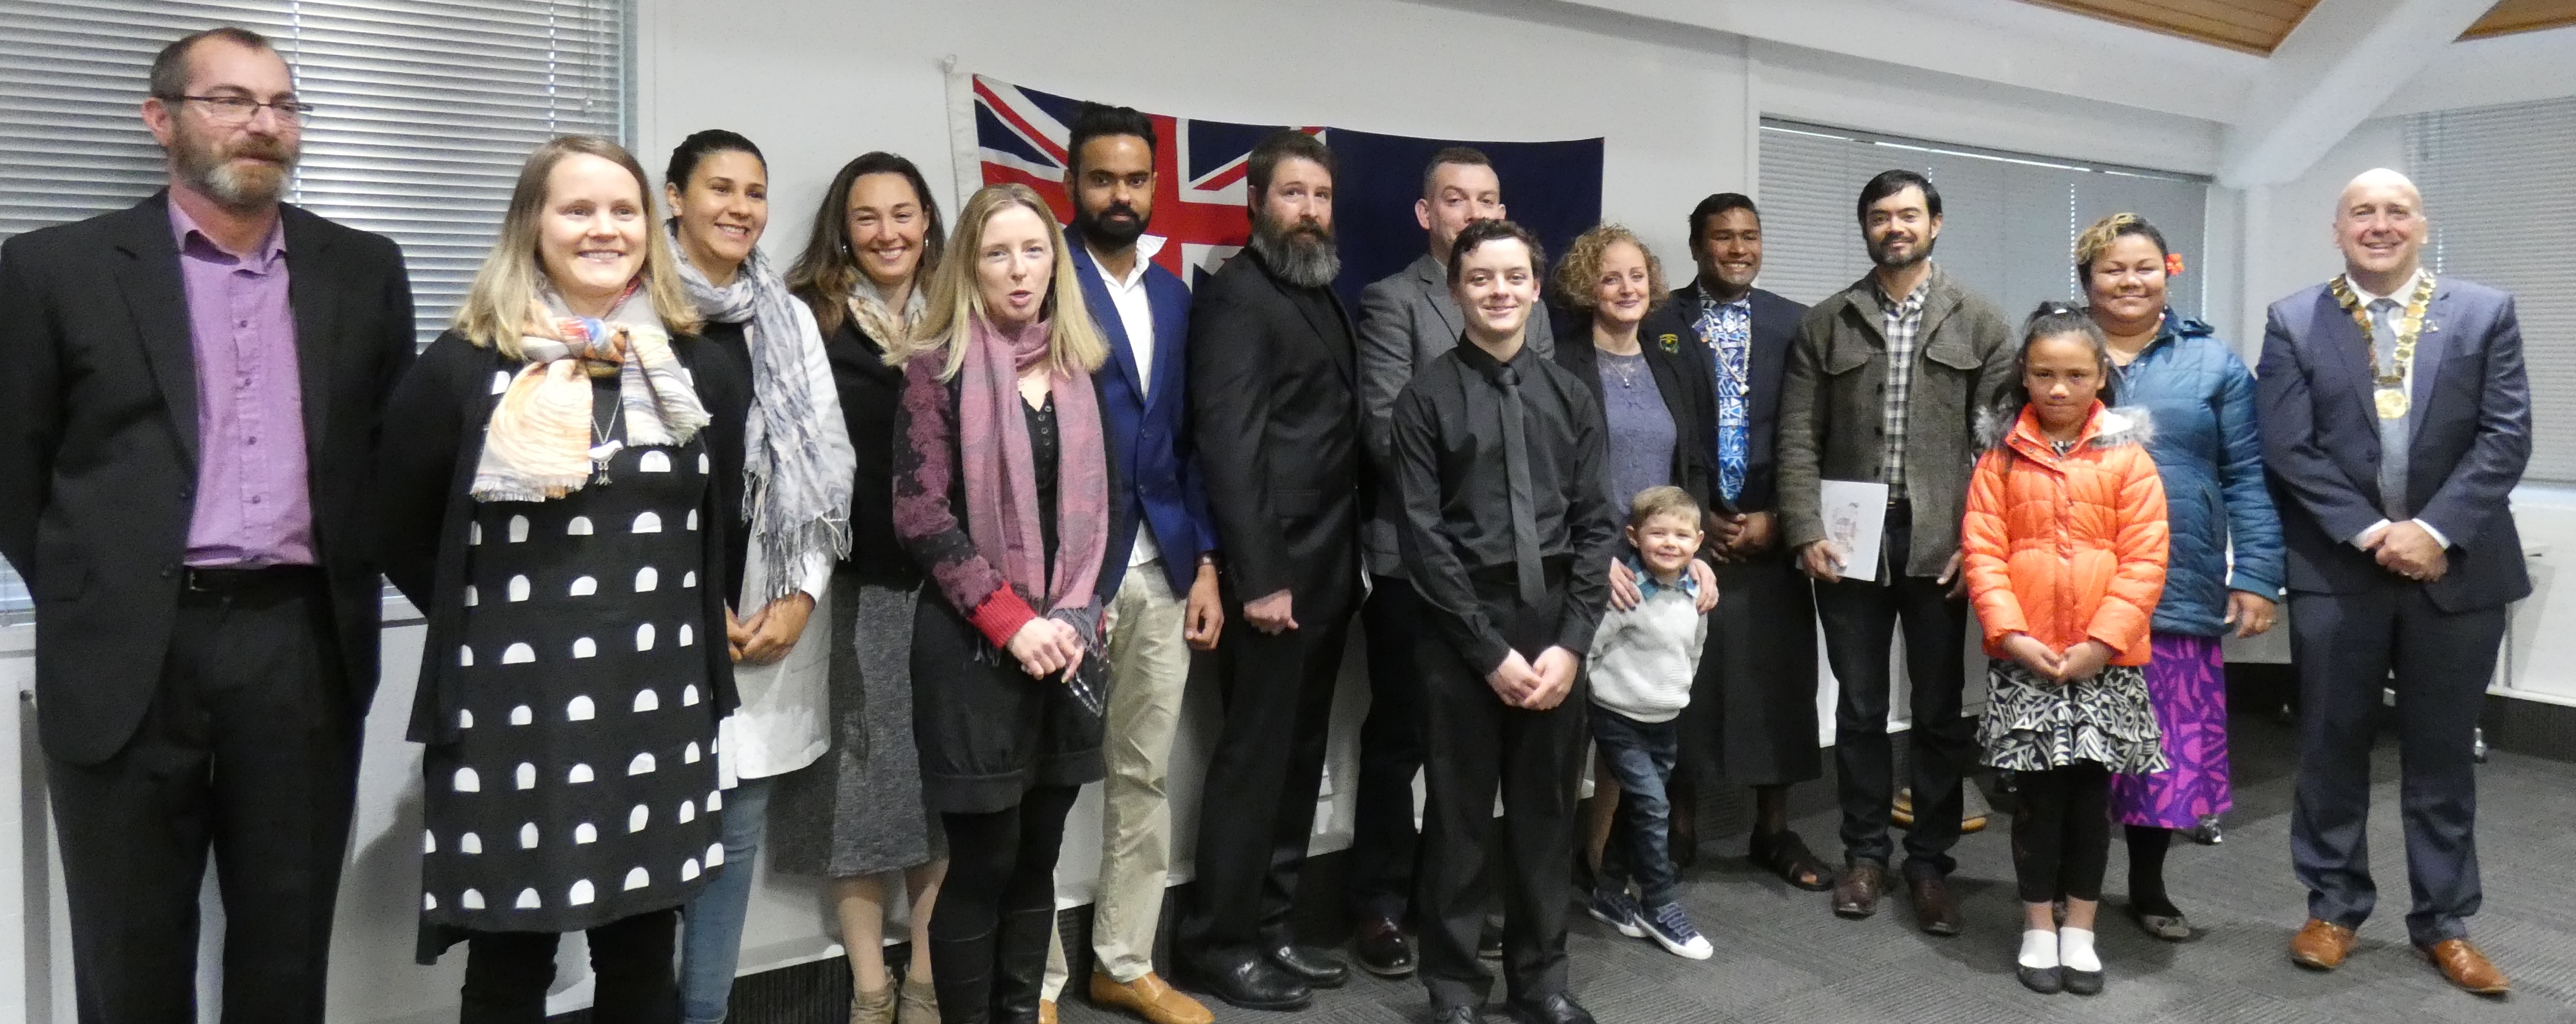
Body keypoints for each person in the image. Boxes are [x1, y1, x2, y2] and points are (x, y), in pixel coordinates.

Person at [0, 26, 413, 1023]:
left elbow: (387, 460)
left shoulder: (363, 269)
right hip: (129, 653)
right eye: (230, 101)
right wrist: (94, 587)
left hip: (301, 644)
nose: (262, 124)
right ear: (162, 120)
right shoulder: (53, 269)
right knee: (131, 957)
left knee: (286, 947)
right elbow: (15, 468)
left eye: (280, 104)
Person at [377, 134, 746, 1022]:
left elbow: (718, 521)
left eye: (622, 211)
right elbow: (391, 521)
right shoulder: (467, 363)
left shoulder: (699, 366)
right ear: (532, 225)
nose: (603, 229)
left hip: (659, 698)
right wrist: (501, 624)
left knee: (640, 952)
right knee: (511, 953)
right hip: (512, 703)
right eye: (576, 209)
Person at [2262, 169, 2529, 996]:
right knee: (2330, 745)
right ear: (2336, 229)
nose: (2379, 225)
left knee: (2442, 755)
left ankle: (2443, 922)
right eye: (2361, 212)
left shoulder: (2483, 311)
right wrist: (2379, 532)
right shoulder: (2294, 320)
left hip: (2458, 567)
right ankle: (2333, 905)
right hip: (2340, 568)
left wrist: (2433, 529)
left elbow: (2505, 434)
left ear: (2422, 224)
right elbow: (2287, 445)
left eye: (2395, 212)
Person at [886, 182, 1128, 1024]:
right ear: (969, 265)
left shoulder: (1076, 366)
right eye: (997, 252)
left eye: (1033, 250)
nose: (1018, 269)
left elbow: (1104, 509)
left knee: (1040, 860)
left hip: (1067, 643)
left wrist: (1070, 615)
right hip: (972, 651)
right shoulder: (935, 365)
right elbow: (920, 514)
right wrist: (1010, 620)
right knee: (983, 862)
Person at [1776, 169, 2016, 935]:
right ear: (1866, 228)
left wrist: (1979, 544)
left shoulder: (1980, 321)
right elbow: (1796, 436)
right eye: (1880, 216)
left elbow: (2001, 450)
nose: (1894, 226)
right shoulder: (1828, 322)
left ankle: (1930, 861)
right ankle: (1864, 853)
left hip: (1941, 539)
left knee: (1941, 709)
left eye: (1908, 214)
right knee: (1859, 705)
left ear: (1935, 223)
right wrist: (1804, 527)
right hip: (1849, 541)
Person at [1393, 218, 1617, 1024]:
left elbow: (1598, 526)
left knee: (1545, 815)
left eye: (1513, 277)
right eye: (1480, 278)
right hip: (1460, 630)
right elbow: (1422, 539)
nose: (1498, 291)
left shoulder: (1569, 396)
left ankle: (1542, 980)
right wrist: (1487, 650)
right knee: (1457, 817)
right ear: (1456, 290)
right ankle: (1453, 987)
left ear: (1534, 285)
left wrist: (1571, 644)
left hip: (1554, 619)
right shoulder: (1423, 400)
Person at [1029, 104, 1223, 1024]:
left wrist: (1207, 562)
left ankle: (1122, 957)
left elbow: (1187, 440)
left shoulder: (1174, 294)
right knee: (1044, 779)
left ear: (1152, 185)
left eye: (1133, 179)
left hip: (1163, 565)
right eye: (1101, 178)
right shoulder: (1039, 276)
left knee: (1142, 773)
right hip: (1066, 575)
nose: (1119, 194)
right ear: (1072, 183)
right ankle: (1031, 977)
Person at [658, 129, 857, 1024]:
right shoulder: (634, 302)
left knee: (734, 835)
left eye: (755, 192)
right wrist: (695, 607)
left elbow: (829, 458)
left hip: (763, 610)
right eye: (720, 188)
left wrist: (801, 593)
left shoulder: (781, 315)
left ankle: (703, 1013)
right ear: (673, 197)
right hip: (656, 618)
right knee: (640, 830)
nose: (740, 208)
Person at [1350, 146, 1552, 974]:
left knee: (1480, 756)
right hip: (1416, 561)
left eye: (1488, 197)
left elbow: (1541, 436)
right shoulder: (1393, 300)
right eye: (1454, 199)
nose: (1472, 211)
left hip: (1514, 572)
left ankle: (1457, 908)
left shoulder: (1526, 306)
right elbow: (1387, 431)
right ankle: (1378, 905)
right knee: (1403, 739)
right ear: (1424, 215)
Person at [1179, 128, 1362, 1011]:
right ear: (1255, 202)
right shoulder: (1236, 298)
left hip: (1329, 569)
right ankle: (1217, 939)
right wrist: (1258, 576)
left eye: (1320, 196)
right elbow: (1228, 442)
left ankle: (1273, 921)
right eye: (1293, 194)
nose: (1309, 211)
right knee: (1252, 763)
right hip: (1274, 576)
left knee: (1298, 762)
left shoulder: (1319, 290)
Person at [771, 151, 951, 1024]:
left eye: (904, 213)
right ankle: (868, 988)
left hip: (949, 588)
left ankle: (924, 974)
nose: (888, 233)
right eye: (868, 216)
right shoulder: (809, 317)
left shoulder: (960, 315)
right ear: (844, 227)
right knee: (853, 789)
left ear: (927, 222)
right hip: (846, 586)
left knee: (940, 778)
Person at [2074, 212, 2284, 942]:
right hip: (2076, 585)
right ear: (2086, 279)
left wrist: (2256, 573)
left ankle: (2147, 884)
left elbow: (2249, 473)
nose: (2128, 280)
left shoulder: (2213, 363)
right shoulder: (2057, 351)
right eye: (2110, 268)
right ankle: (2072, 891)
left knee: (2156, 750)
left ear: (2168, 270)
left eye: (2142, 266)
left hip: (2177, 578)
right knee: (2075, 748)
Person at [1961, 303, 2169, 997]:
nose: (2057, 389)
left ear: (2099, 375)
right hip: (2026, 660)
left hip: (2105, 663)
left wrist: (2101, 641)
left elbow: (2144, 559)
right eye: (2043, 374)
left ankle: (2079, 926)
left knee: (2089, 800)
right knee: (2036, 801)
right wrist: (2011, 634)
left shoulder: (2126, 456)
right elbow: (1983, 553)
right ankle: (2035, 926)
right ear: (2022, 374)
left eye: (2074, 375)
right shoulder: (1998, 456)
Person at [1543, 224, 1719, 892]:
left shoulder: (1669, 358)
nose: (1625, 289)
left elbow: (1691, 465)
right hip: (1588, 562)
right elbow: (1549, 473)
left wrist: (1693, 552)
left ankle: (1599, 864)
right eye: (1609, 277)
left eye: (1636, 276)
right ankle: (1549, 870)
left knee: (1630, 724)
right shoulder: (1559, 362)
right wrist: (1592, 558)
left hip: (1660, 569)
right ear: (1587, 287)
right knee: (1566, 729)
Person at [1665, 193, 1830, 892]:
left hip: (1772, 528)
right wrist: (1695, 519)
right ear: (1696, 244)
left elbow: (1818, 432)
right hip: (1683, 535)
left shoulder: (1797, 324)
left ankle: (1773, 827)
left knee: (1776, 680)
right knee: (1683, 683)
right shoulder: (1658, 322)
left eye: (1748, 237)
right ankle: (1677, 828)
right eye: (1722, 237)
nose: (1737, 249)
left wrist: (1784, 519)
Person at [1580, 486, 1714, 962]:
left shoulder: (1697, 594)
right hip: (1618, 716)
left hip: (1664, 718)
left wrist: (1677, 689)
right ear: (1634, 537)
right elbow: (1591, 647)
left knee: (1640, 807)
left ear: (1698, 541)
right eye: (1658, 532)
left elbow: (1694, 648)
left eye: (1681, 534)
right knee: (1654, 808)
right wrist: (1596, 694)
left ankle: (1610, 890)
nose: (1670, 542)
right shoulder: (1627, 595)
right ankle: (1659, 905)